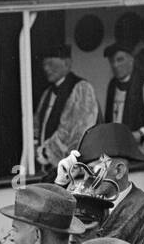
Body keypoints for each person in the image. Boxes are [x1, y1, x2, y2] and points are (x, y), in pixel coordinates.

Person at [34, 45, 98, 176]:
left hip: (72, 171)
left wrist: (45, 152)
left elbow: (76, 132)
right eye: (44, 64)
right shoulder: (47, 93)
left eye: (51, 63)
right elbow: (36, 124)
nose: (46, 69)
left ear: (67, 63)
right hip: (46, 168)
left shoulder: (81, 89)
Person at [102, 42, 144, 159]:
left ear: (131, 60)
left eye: (120, 60)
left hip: (141, 154)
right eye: (112, 61)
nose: (115, 65)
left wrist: (140, 135)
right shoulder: (112, 86)